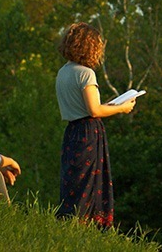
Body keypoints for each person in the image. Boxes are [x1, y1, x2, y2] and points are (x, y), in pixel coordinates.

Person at [55, 22, 135, 227]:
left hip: (72, 131)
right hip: (88, 133)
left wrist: (109, 104)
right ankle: (86, 226)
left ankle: (68, 224)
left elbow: (87, 106)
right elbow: (94, 110)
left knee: (73, 181)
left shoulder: (63, 72)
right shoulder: (85, 73)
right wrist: (121, 108)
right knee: (87, 184)